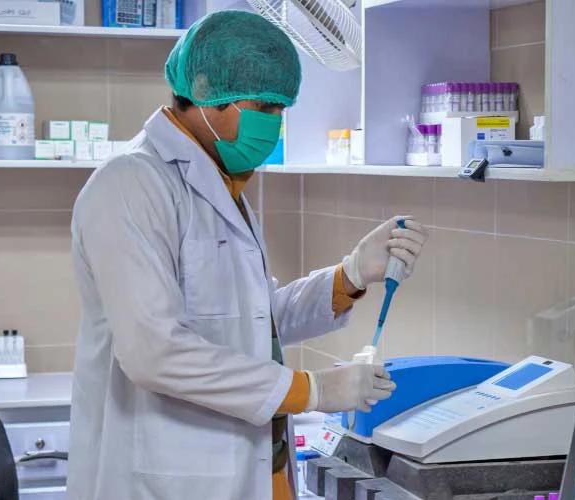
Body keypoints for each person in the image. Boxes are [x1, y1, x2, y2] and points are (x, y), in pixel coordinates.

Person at [66, 9, 429, 500]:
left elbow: (253, 319)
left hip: (252, 470)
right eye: (264, 107)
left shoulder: (221, 183)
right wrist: (312, 390)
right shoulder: (131, 185)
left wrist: (348, 277)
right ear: (202, 89)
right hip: (165, 477)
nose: (274, 125)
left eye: (282, 110)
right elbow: (154, 353)